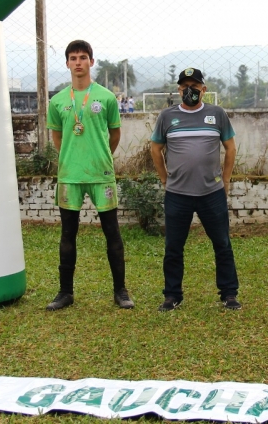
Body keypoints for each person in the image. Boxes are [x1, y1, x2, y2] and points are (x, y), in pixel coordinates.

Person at [45, 39, 134, 310]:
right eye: (73, 58)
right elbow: (57, 137)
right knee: (67, 234)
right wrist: (71, 158)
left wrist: (100, 156)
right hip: (70, 176)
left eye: (83, 57)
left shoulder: (106, 98)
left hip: (100, 174)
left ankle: (121, 291)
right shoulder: (57, 101)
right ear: (67, 63)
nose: (78, 62)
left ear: (91, 62)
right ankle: (65, 293)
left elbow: (115, 134)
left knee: (112, 232)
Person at [150, 67, 241, 311]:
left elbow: (231, 148)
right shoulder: (167, 116)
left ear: (204, 89)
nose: (189, 90)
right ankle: (172, 295)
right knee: (173, 248)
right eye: (185, 87)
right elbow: (155, 149)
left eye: (195, 86)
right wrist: (164, 180)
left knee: (222, 244)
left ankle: (229, 294)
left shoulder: (217, 114)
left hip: (211, 193)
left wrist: (226, 179)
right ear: (179, 90)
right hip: (177, 194)